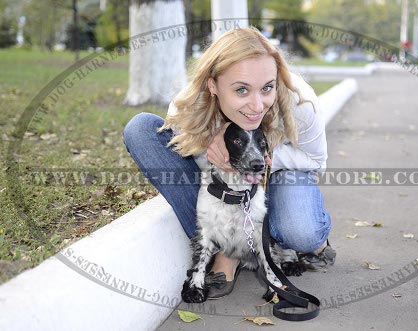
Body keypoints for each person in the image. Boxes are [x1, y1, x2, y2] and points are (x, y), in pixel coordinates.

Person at [123, 27, 335, 299]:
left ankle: (294, 242)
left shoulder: (299, 100)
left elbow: (316, 160)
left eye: (267, 88)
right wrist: (209, 144)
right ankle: (227, 250)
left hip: (280, 176)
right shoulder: (188, 106)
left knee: (301, 232)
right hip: (220, 192)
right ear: (213, 85)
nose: (258, 105)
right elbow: (192, 163)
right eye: (242, 90)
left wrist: (257, 155)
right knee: (141, 129)